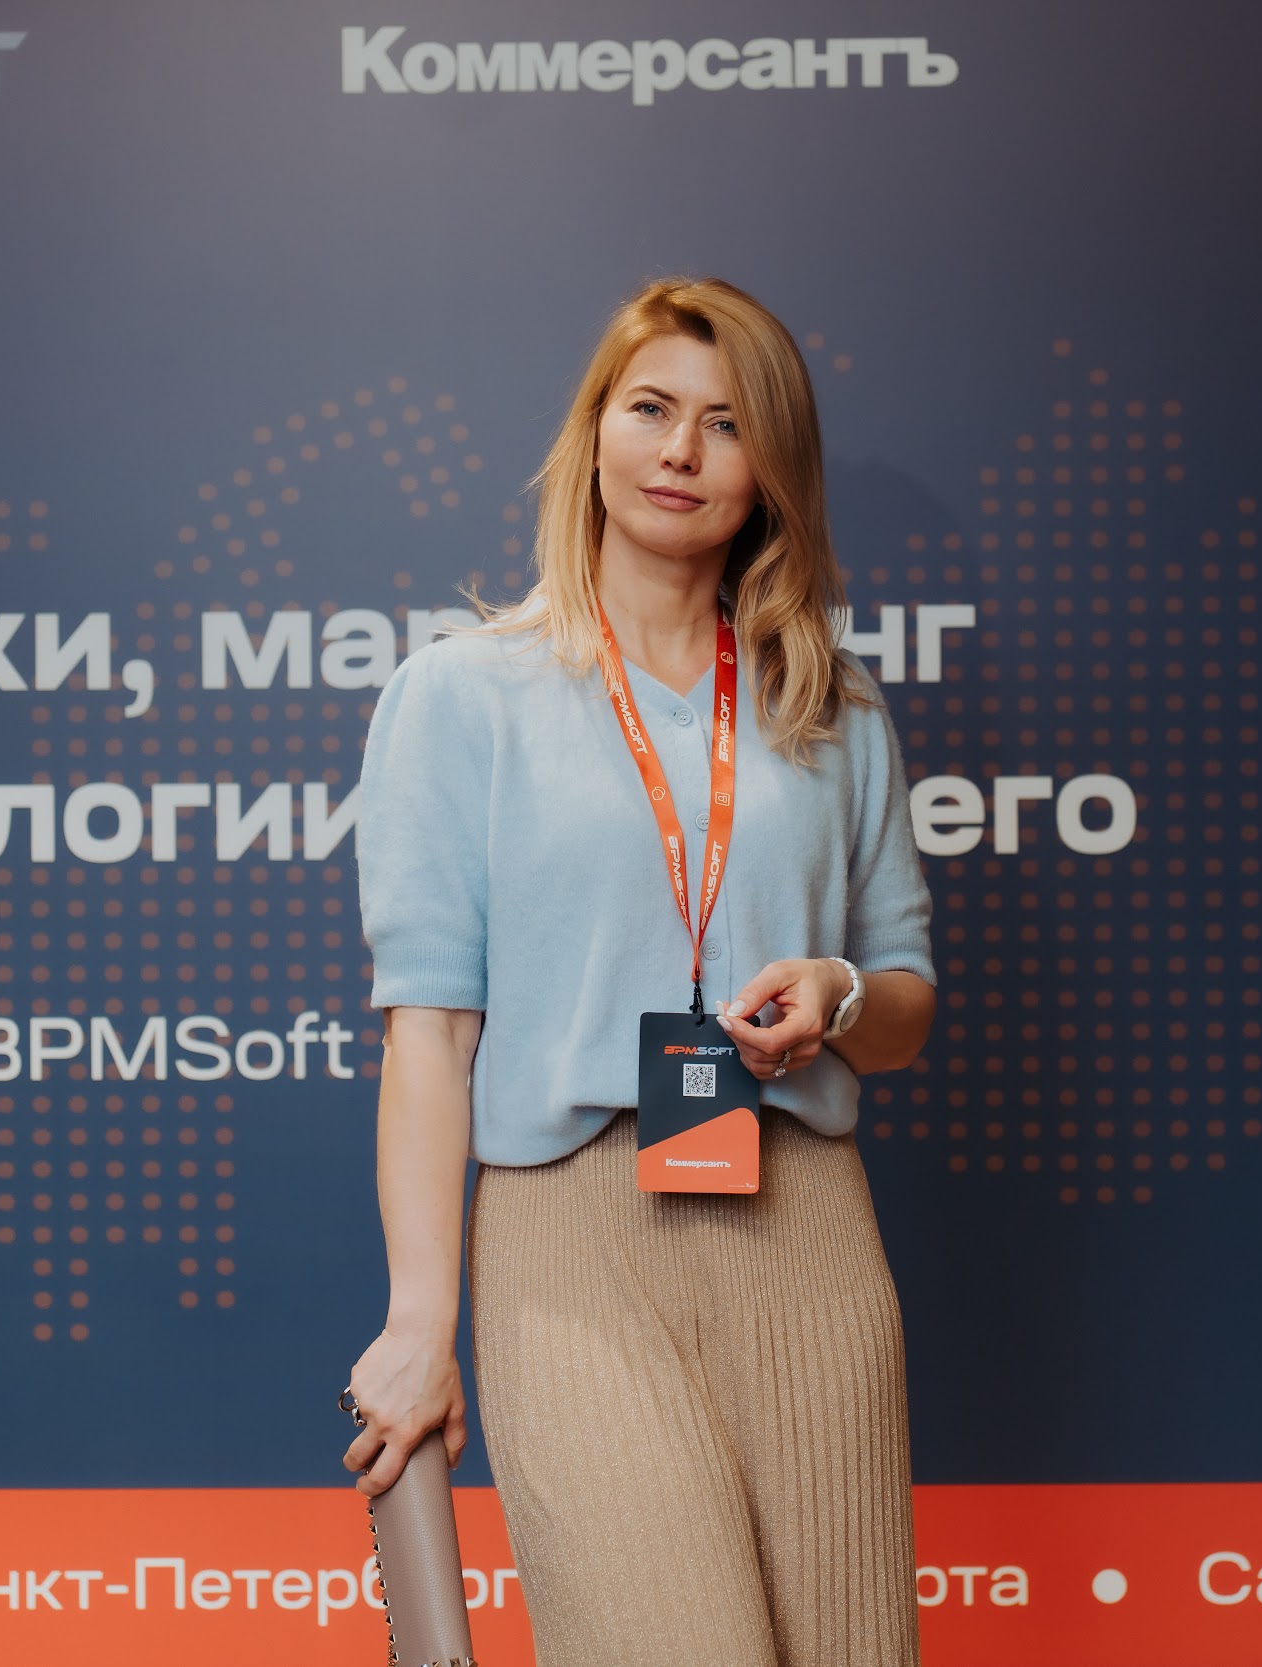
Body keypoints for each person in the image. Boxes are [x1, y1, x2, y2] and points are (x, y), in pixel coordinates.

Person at [344, 276, 938, 1667]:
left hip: (808, 1234)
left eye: (726, 424)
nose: (681, 451)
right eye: (651, 409)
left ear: (771, 471)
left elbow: (905, 1002)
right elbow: (428, 1037)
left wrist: (839, 995)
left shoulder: (832, 706)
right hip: (568, 1249)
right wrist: (420, 1322)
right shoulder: (462, 695)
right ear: (594, 434)